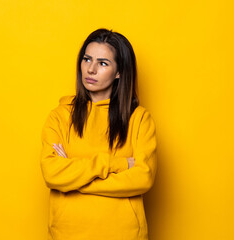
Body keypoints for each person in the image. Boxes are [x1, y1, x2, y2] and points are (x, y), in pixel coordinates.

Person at [40, 28, 157, 240]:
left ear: (119, 72)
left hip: (124, 234)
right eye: (87, 59)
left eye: (103, 63)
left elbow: (143, 178)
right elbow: (51, 172)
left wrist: (75, 181)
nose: (91, 69)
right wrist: (118, 165)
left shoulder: (139, 119)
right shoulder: (60, 116)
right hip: (67, 234)